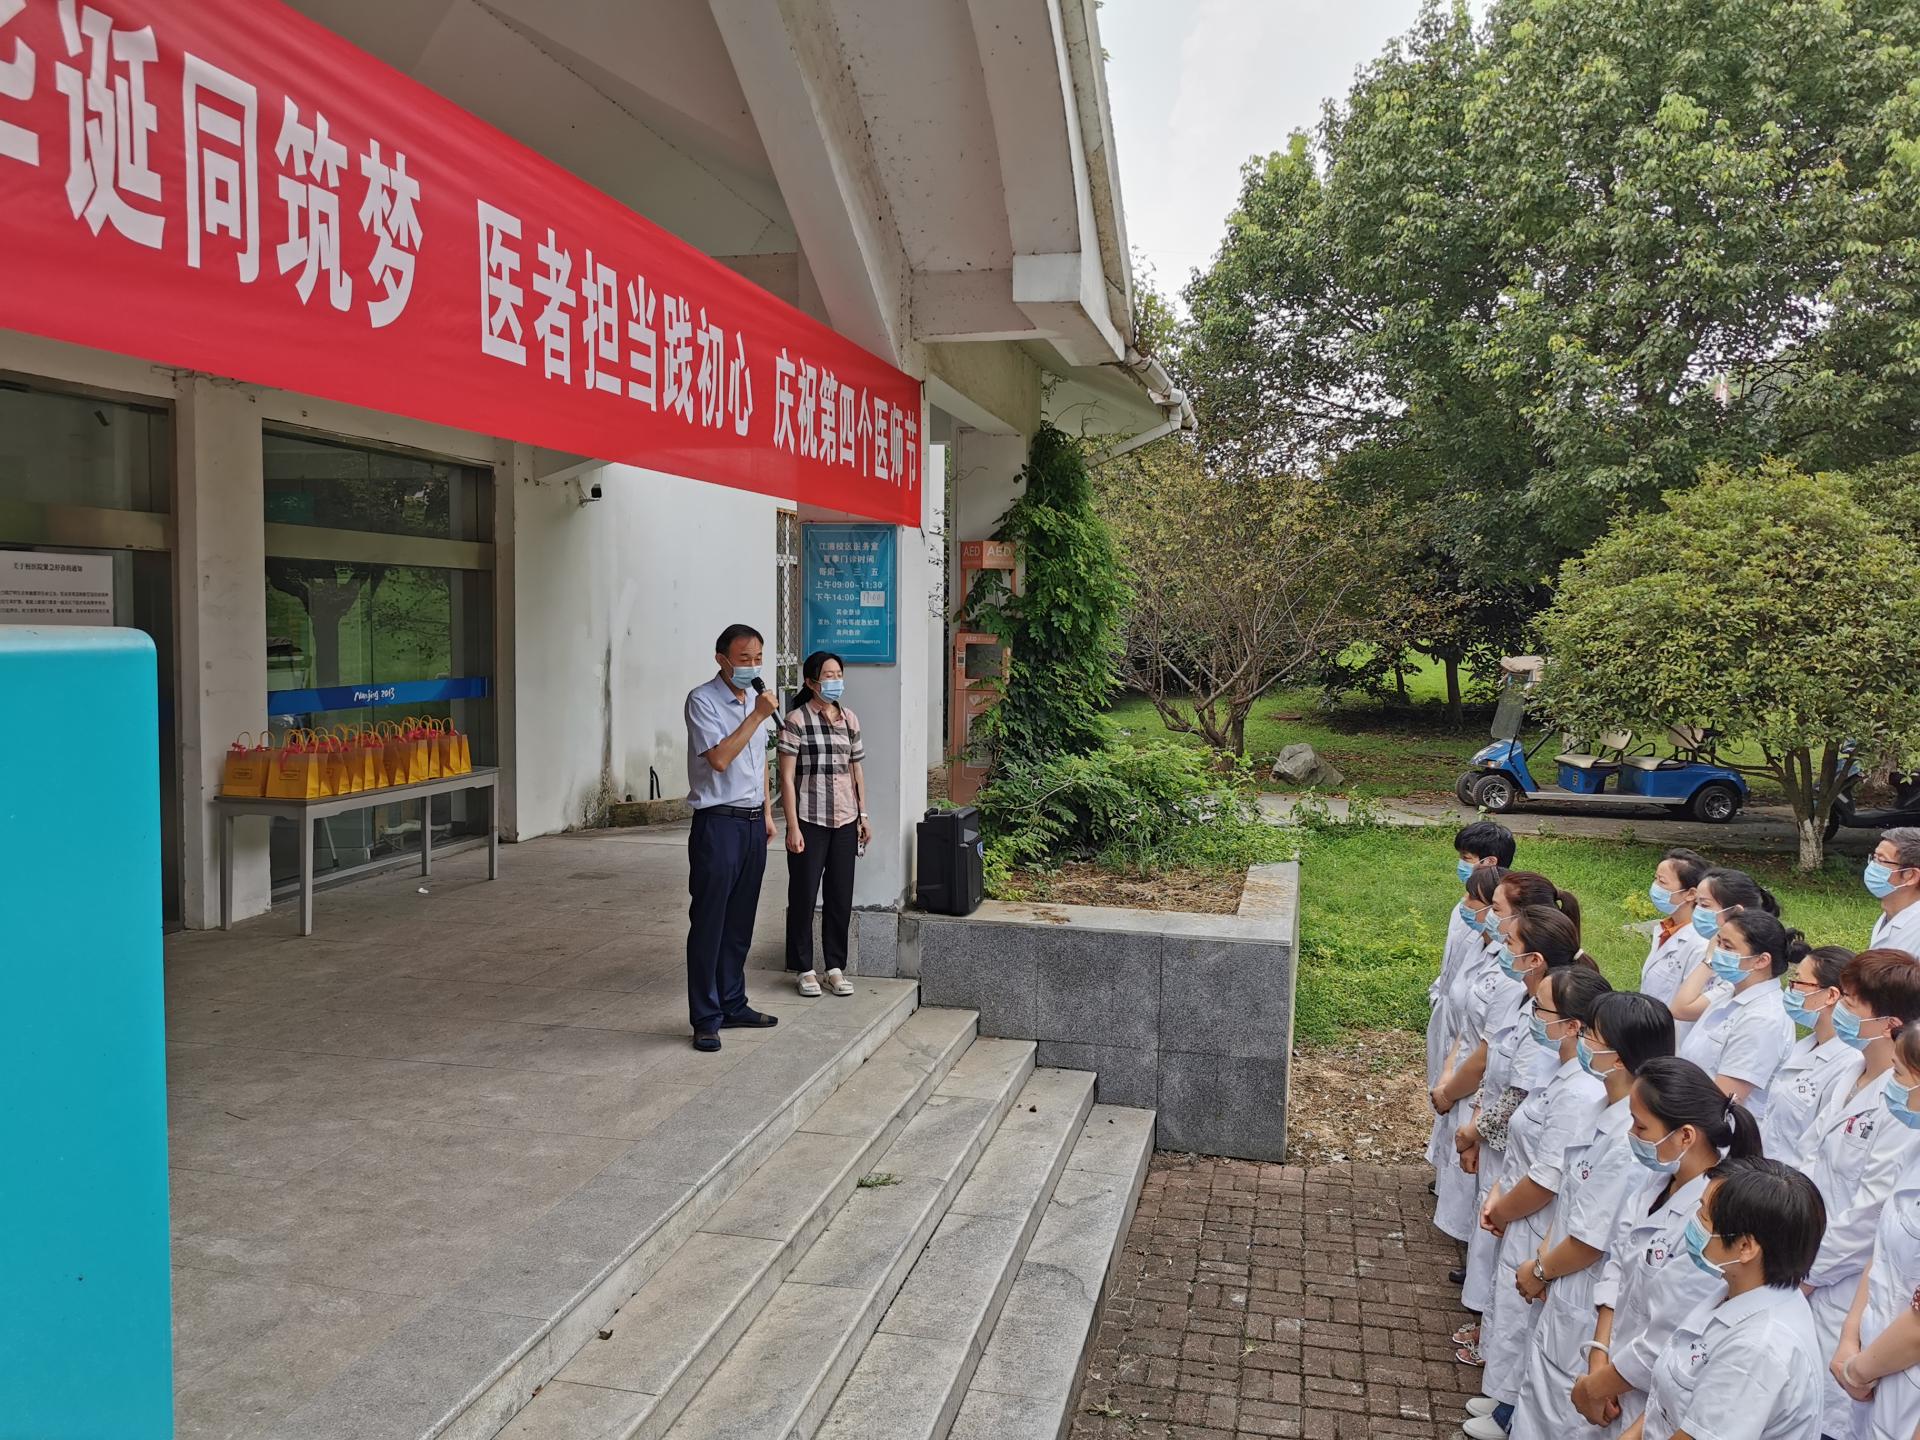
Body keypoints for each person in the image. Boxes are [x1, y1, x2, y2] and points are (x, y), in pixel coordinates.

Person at [1506, 993, 1678, 1440]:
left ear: (1618, 1057)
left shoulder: (1629, 1141)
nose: (1579, 1039)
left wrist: (1540, 1270)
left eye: (1588, 1034)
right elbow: (1571, 1202)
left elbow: (1590, 1239)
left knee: (1557, 1412)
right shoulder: (1603, 1108)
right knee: (1540, 1393)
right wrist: (1544, 1262)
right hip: (1562, 1285)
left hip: (1582, 1295)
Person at [1569, 1057, 1763, 1434]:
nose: (1631, 1133)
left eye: (1641, 1126)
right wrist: (1599, 1360)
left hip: (1646, 1398)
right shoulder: (1660, 1180)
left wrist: (1596, 1387)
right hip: (1610, 1371)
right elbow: (1617, 1266)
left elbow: (1670, 1335)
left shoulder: (1712, 1221)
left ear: (1685, 1136)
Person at [1466, 963, 1612, 1438]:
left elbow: (1548, 1176)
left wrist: (1501, 1209)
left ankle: (1510, 1411)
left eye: (1540, 1009)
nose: (1532, 1014)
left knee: (1525, 1328)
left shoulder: (1582, 1091)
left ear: (1572, 1026)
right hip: (1519, 1213)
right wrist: (1499, 1198)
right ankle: (1505, 1400)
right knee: (1511, 1322)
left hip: (1536, 1219)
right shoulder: (1560, 1071)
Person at [1455, 875, 1588, 1357]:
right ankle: (1487, 1335)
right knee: (1495, 1260)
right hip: (1505, 1148)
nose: (1501, 944)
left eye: (1510, 941)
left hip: (1516, 1155)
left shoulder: (1550, 1019)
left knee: (1508, 1270)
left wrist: (1474, 1131)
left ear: (1534, 958)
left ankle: (1490, 1346)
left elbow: (1519, 1093)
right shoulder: (1533, 999)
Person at [1797, 950, 1920, 1438]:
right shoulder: (1852, 1070)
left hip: (1840, 1290)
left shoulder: (1903, 1105)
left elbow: (1867, 1217)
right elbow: (1809, 1158)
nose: (1838, 1009)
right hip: (1811, 1268)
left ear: (1889, 1023)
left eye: (1850, 1002)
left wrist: (1804, 1276)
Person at [1624, 1158, 1827, 1440]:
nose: (1693, 1224)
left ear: (1745, 1247)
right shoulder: (1737, 1290)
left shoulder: (1757, 1348)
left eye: (1704, 1217)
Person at [682, 624, 781, 1053]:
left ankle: (733, 1003)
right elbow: (721, 759)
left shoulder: (754, 700)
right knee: (710, 921)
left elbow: (759, 761)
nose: (753, 667)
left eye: (758, 658)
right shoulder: (702, 700)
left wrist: (768, 811)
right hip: (718, 823)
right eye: (744, 659)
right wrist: (757, 715)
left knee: (740, 921)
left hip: (752, 823)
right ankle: (706, 1018)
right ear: (721, 659)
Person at [1830, 1024, 1920, 1440]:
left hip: (1902, 1391)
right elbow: (1882, 1251)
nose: (1890, 1085)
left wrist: (1858, 1370)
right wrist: (1850, 1337)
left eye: (1898, 1073)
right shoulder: (1915, 1147)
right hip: (1870, 1369)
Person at [778, 651, 871, 998]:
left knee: (839, 896)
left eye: (838, 674)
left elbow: (856, 770)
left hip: (845, 819)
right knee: (803, 895)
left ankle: (834, 967)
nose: (835, 681)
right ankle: (804, 969)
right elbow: (787, 778)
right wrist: (792, 826)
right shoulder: (796, 720)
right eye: (828, 675)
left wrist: (863, 815)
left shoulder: (850, 719)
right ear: (811, 681)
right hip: (809, 819)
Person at [1674, 907, 1799, 1118]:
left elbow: (1723, 1100)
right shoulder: (1732, 991)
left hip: (1711, 1125)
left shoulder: (1763, 1019)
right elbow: (1680, 1007)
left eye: (1728, 947)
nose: (1718, 952)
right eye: (1718, 942)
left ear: (1761, 960)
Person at [1433, 822, 1520, 1103]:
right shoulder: (1465, 911)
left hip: (1472, 1042)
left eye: (1466, 858)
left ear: (1489, 861)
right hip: (1450, 1017)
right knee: (1440, 1085)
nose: (1460, 864)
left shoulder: (1497, 929)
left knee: (1454, 1095)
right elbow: (1454, 964)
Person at [1759, 945, 1861, 1171]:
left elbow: (1821, 1152)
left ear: (1831, 995)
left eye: (1798, 982)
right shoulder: (1806, 1046)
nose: (1791, 989)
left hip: (1793, 1183)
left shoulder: (1848, 1064)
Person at [1667, 867, 1781, 1040]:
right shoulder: (1711, 947)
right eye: (1697, 904)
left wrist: (1710, 960)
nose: (1697, 911)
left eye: (1705, 905)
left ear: (1736, 912)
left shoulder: (1737, 968)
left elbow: (1680, 1009)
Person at [1642, 848, 1711, 1011]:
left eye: (1662, 882)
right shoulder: (1667, 928)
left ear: (1691, 894)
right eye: (1655, 879)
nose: (1655, 887)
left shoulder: (1700, 945)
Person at [1866, 829, 1920, 955]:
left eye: (1881, 860)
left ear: (1911, 876)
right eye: (1874, 858)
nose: (1872, 866)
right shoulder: (1890, 914)